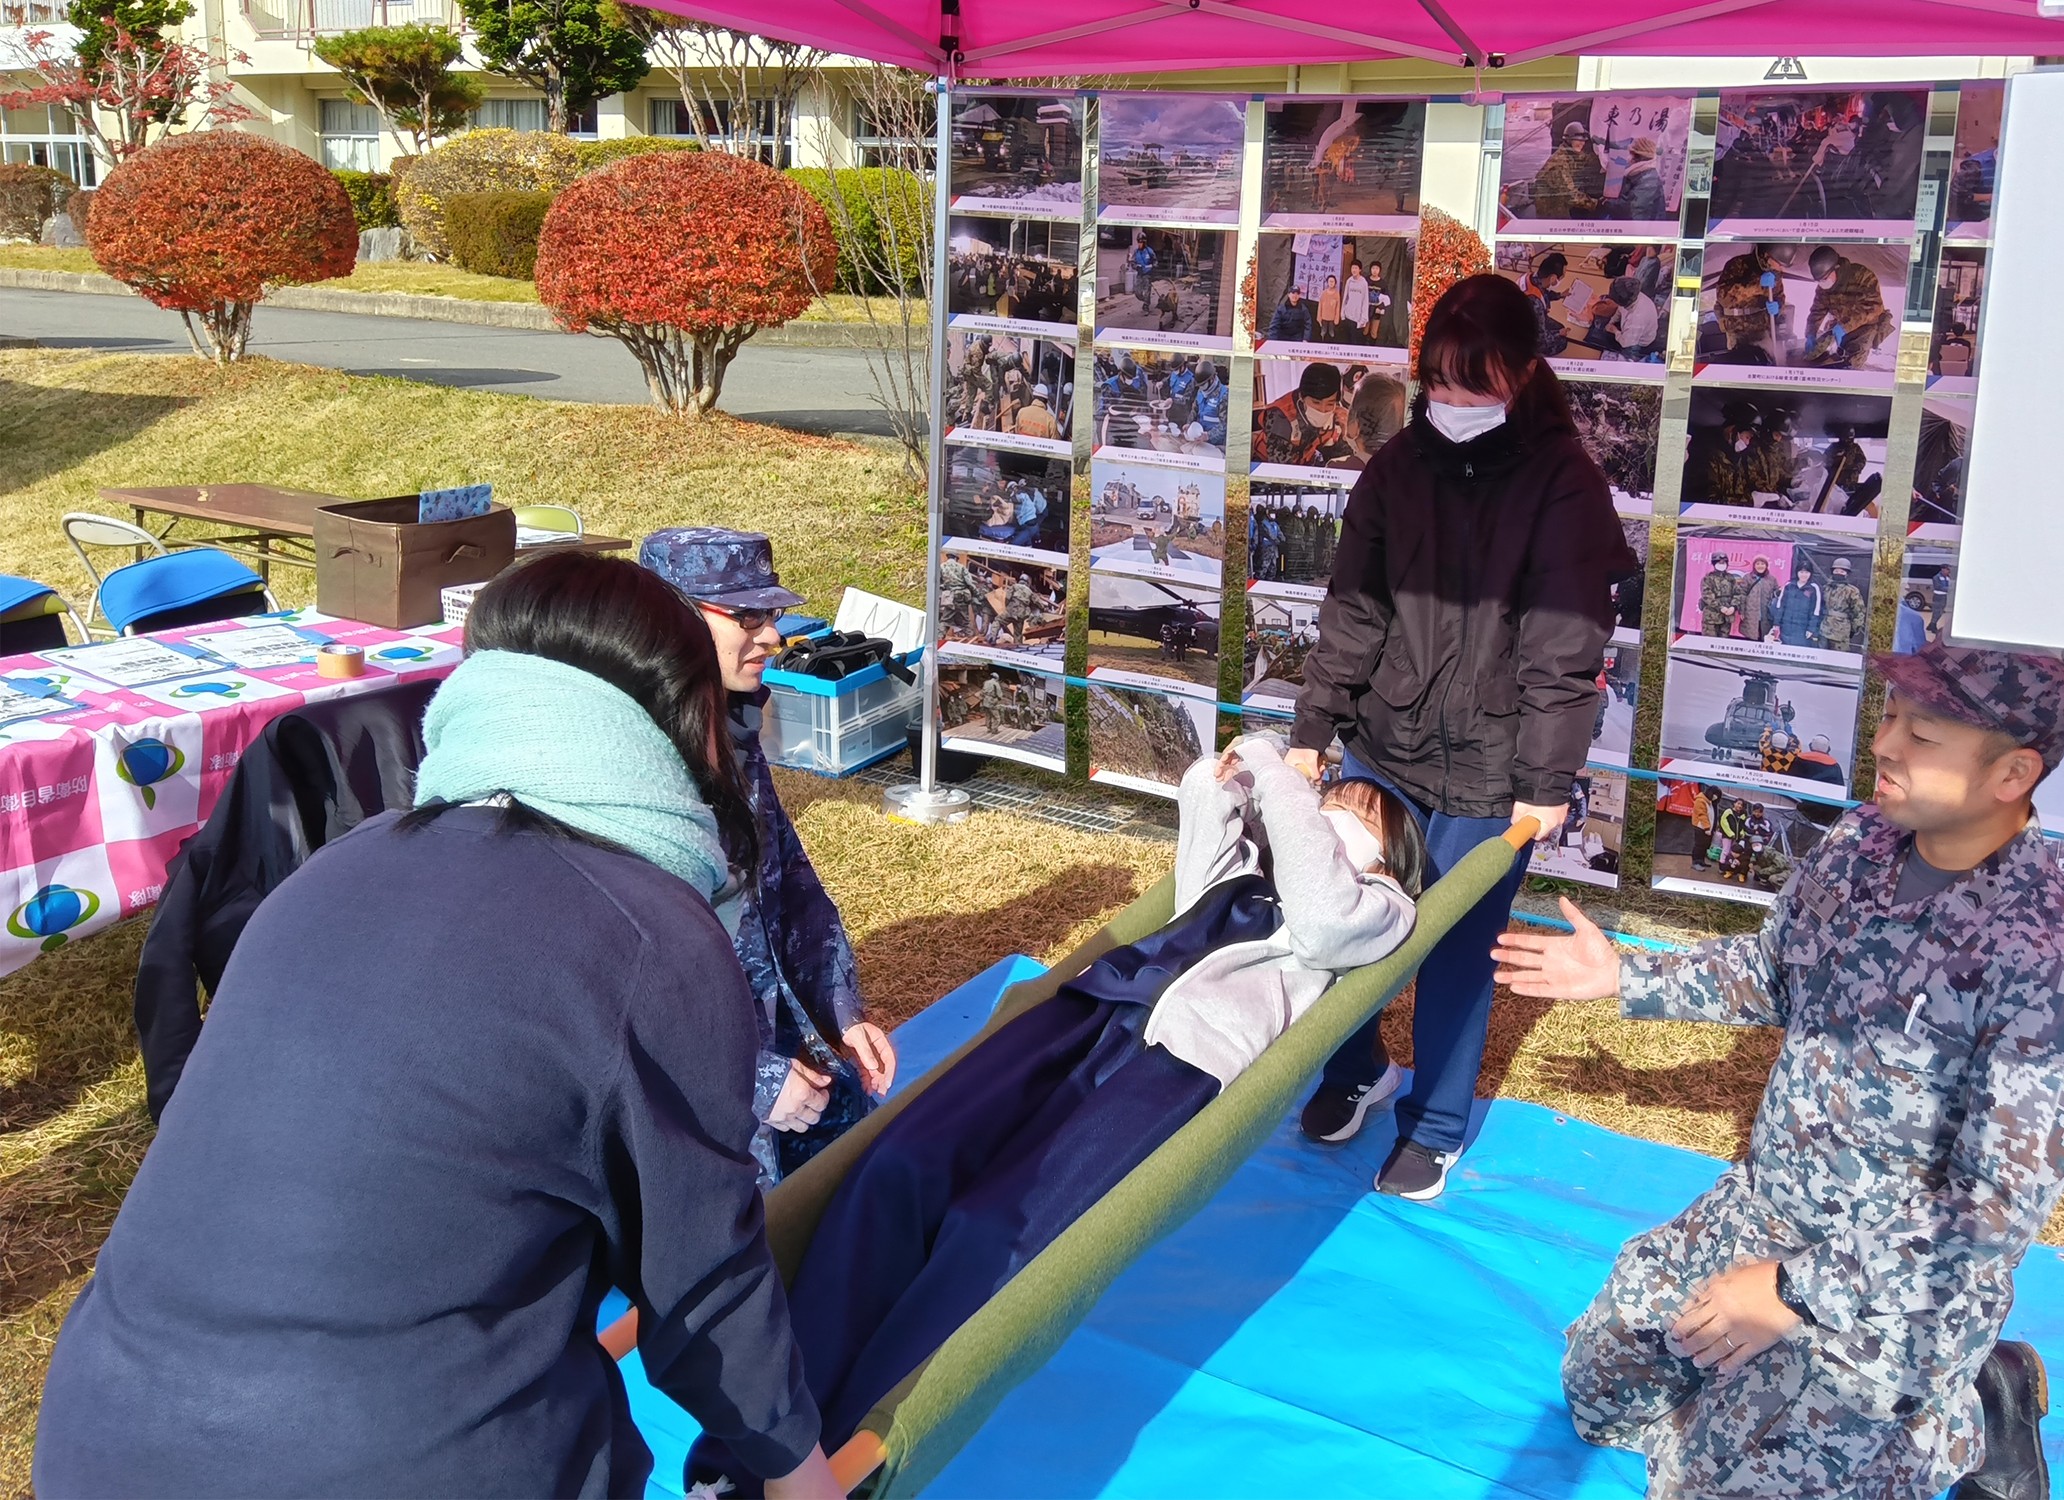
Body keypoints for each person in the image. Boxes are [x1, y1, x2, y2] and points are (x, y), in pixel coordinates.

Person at [33, 553, 840, 1499]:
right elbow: (706, 1292)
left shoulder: (332, 871)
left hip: (100, 1434)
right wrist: (803, 1481)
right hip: (410, 1458)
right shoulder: (649, 933)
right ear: (675, 718)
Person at [1498, 644, 2064, 1500]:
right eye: (1893, 716)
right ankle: (1759, 1414)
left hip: (1892, 1288)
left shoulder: (2052, 966)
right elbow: (1779, 972)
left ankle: (1961, 1412)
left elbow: (1987, 1218)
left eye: (1923, 733)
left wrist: (1794, 1292)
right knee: (1600, 1395)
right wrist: (1627, 978)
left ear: (2013, 774)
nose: (1886, 743)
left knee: (1712, 1487)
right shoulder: (1865, 841)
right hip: (1767, 1209)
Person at [763, 735, 1428, 1467]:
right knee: (902, 1163)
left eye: (1351, 815)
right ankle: (764, 1442)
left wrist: (1283, 784)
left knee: (992, 1235)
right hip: (1088, 1010)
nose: (1324, 815)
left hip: (1175, 1064)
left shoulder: (1378, 910)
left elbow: (1323, 910)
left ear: (1389, 857)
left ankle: (842, 1458)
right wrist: (1260, 753)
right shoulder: (1241, 869)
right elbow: (1206, 789)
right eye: (1325, 804)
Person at [1288, 273, 1634, 1201]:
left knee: (1456, 947)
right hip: (1383, 747)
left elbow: (1566, 649)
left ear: (1522, 376)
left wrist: (1546, 780)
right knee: (1333, 917)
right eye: (1440, 381)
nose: (1454, 403)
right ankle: (1354, 1068)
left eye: (1475, 384)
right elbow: (1352, 611)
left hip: (1494, 770)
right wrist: (1314, 727)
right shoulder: (1397, 467)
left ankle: (1435, 1124)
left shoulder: (1565, 486)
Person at [641, 530, 896, 1179]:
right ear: (672, 616)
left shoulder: (730, 725)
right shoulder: (632, 769)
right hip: (687, 1107)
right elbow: (628, 977)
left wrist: (841, 1012)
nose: (773, 637)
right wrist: (752, 1080)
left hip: (774, 1054)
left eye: (774, 615)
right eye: (747, 617)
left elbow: (790, 884)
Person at [1803, 245, 1896, 369]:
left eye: (1825, 278)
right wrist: (1810, 333)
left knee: (1851, 364)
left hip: (1865, 327)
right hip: (1840, 324)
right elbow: (1817, 310)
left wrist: (1845, 327)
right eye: (1819, 281)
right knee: (1828, 357)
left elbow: (1874, 308)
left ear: (1836, 268)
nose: (1822, 283)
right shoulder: (1824, 287)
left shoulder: (1863, 276)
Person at [1708, 244, 1796, 364]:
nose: (1781, 269)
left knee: (1767, 364)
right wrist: (1758, 285)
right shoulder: (1738, 264)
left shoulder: (1775, 274)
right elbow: (1724, 297)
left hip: (1761, 330)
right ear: (1768, 256)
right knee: (1741, 365)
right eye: (1780, 264)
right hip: (1736, 331)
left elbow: (1779, 297)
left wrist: (1778, 306)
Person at [1255, 360, 1347, 468]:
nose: (1323, 410)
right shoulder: (1280, 416)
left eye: (1330, 403)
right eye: (1316, 402)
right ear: (1302, 397)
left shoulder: (1336, 413)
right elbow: (1280, 470)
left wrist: (1346, 433)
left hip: (1309, 461)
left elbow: (1340, 455)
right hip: (1267, 466)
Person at [1533, 119, 1608, 217]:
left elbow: (1586, 158)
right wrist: (1596, 204)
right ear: (1569, 140)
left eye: (1583, 141)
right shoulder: (1559, 164)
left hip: (1560, 202)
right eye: (1578, 140)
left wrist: (1605, 160)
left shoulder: (1570, 153)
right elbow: (1570, 196)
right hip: (1551, 209)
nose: (1582, 143)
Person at [1610, 135, 1667, 221]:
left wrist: (1605, 205)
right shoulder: (1638, 174)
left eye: (1631, 153)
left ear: (1638, 156)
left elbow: (1632, 210)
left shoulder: (1649, 181)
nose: (1628, 158)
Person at [1819, 556, 1867, 652]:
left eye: (1842, 571)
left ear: (1847, 574)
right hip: (1823, 629)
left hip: (1841, 632)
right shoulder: (1826, 588)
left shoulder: (1852, 591)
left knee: (1839, 659)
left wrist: (1853, 629)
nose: (1838, 573)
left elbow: (1859, 612)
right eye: (1836, 571)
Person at [1775, 561, 1823, 649]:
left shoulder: (1814, 588)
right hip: (1786, 628)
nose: (1803, 575)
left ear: (1810, 573)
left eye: (1806, 572)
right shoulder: (1789, 585)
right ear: (1797, 572)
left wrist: (1811, 629)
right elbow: (1780, 606)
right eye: (1801, 572)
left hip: (1802, 629)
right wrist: (1776, 623)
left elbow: (1816, 611)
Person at [1737, 554, 1780, 642]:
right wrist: (1742, 611)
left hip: (1766, 615)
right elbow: (1742, 594)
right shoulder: (1748, 578)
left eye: (1762, 563)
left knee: (1765, 638)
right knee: (1750, 639)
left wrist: (1780, 591)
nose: (1760, 566)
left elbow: (1775, 595)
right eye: (1758, 564)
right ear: (1754, 565)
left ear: (1766, 565)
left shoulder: (1772, 579)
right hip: (1750, 614)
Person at [1697, 552, 1741, 637]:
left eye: (1723, 562)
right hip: (1711, 616)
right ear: (1714, 564)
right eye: (1719, 562)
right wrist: (1720, 607)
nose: (1721, 564)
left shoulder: (1731, 578)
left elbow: (1738, 593)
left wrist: (1733, 607)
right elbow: (1707, 595)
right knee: (1709, 643)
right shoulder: (1708, 578)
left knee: (1723, 643)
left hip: (1727, 616)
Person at [1341, 260, 1371, 337]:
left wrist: (1363, 318)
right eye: (1352, 268)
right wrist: (1342, 313)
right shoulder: (1349, 281)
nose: (1354, 270)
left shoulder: (1363, 283)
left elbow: (1365, 301)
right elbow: (1345, 298)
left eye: (1356, 268)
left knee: (1355, 341)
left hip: (1358, 318)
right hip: (1348, 316)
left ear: (1360, 270)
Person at [1316, 273, 1343, 342]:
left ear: (1335, 283)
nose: (1331, 283)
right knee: (1323, 331)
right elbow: (1320, 305)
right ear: (1327, 282)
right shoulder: (1324, 292)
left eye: (1332, 281)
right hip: (1324, 317)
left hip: (1332, 318)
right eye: (1329, 281)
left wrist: (1337, 318)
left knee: (1331, 332)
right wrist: (1319, 316)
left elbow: (1338, 306)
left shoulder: (1337, 293)